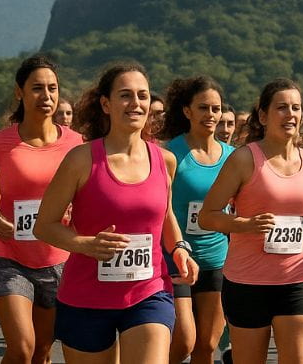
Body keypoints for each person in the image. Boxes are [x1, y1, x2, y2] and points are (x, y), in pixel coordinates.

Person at [35, 63, 198, 363]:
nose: (135, 103)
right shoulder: (81, 160)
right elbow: (44, 225)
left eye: (142, 95)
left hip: (148, 291)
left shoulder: (166, 161)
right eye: (125, 95)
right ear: (106, 104)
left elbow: (165, 215)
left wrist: (179, 249)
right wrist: (84, 244)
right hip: (86, 297)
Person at [198, 78, 303, 364]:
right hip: (248, 282)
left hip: (300, 279)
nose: (290, 114)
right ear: (263, 116)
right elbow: (207, 216)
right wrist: (243, 225)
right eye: (282, 107)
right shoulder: (244, 160)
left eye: (296, 108)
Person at [0, 55, 83, 364]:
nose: (46, 97)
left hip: (57, 260)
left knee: (42, 352)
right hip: (9, 257)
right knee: (22, 348)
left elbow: (87, 192)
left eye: (52, 89)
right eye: (37, 88)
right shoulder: (1, 143)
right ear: (19, 92)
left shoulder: (76, 143)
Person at [158, 76, 235, 363]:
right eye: (203, 108)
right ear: (187, 111)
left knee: (207, 346)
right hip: (175, 258)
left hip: (217, 260)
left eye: (215, 109)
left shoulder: (233, 157)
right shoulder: (170, 154)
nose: (211, 115)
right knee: (182, 343)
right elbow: (159, 208)